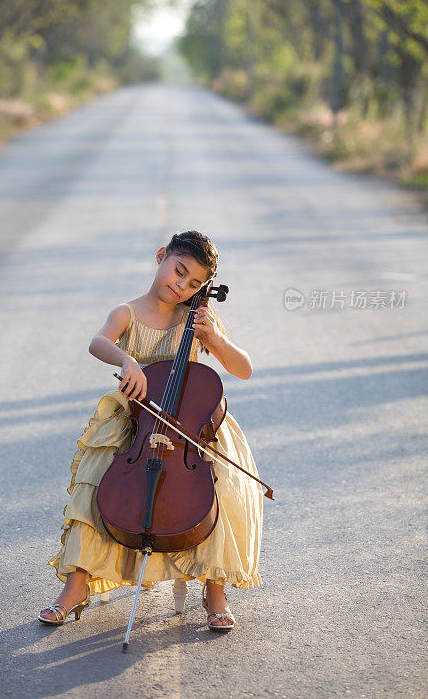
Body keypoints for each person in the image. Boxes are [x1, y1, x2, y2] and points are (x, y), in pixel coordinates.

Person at [38, 230, 263, 631]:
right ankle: (76, 586)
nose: (181, 286)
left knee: (222, 486)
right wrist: (127, 361)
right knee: (95, 483)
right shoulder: (127, 312)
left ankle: (215, 590)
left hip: (189, 429)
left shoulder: (196, 319)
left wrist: (213, 336)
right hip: (136, 425)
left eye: (194, 283)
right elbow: (98, 342)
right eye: (178, 272)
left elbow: (243, 369)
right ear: (161, 256)